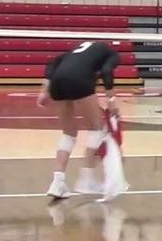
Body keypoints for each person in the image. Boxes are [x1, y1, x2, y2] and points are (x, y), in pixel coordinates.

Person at [37, 40, 126, 200]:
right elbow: (106, 70)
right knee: (96, 130)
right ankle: (87, 179)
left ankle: (57, 183)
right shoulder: (111, 54)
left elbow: (52, 63)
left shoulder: (75, 52)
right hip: (79, 79)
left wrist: (44, 91)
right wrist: (111, 100)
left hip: (57, 82)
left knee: (68, 134)